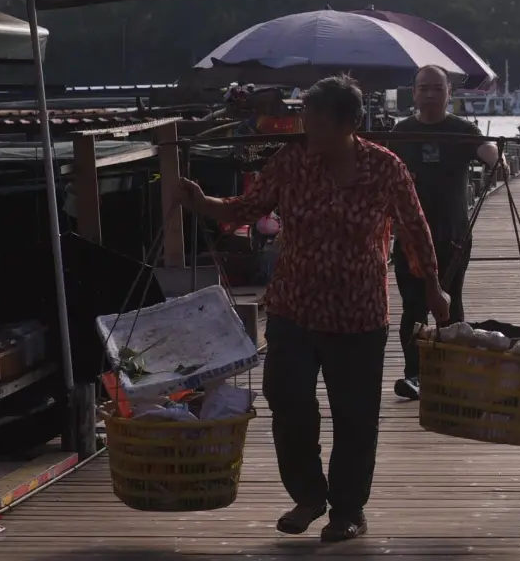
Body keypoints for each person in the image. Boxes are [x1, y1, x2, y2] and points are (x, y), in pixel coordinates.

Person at [178, 75, 449, 543]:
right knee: (287, 401)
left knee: (355, 415)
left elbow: (414, 228)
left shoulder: (384, 167)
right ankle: (308, 495)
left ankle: (347, 509)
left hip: (358, 314)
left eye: (316, 119)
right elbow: (247, 207)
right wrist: (204, 203)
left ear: (347, 123)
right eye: (306, 116)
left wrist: (433, 288)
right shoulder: (291, 162)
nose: (306, 126)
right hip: (292, 307)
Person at [390, 65, 507, 402]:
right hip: (411, 236)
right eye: (423, 88)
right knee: (413, 307)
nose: (429, 94)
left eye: (436, 88)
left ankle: (451, 368)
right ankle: (415, 373)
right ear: (413, 93)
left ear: (448, 93)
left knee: (450, 305)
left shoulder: (461, 129)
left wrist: (496, 161)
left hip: (452, 234)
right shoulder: (402, 132)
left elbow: (487, 150)